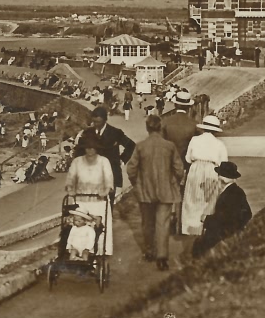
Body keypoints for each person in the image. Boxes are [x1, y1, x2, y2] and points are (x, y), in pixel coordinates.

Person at [126, 115, 184, 270]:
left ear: (147, 128)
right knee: (163, 223)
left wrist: (136, 183)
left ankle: (149, 251)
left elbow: (131, 169)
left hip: (145, 191)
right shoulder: (169, 146)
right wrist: (174, 181)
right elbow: (179, 169)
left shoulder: (140, 146)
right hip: (165, 190)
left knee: (147, 223)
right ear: (160, 128)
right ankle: (162, 257)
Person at [64, 132, 115, 257]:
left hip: (99, 201)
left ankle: (100, 252)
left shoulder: (104, 161)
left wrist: (106, 190)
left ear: (97, 148)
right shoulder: (77, 162)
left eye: (92, 148)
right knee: (79, 228)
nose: (90, 150)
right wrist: (70, 189)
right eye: (87, 148)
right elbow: (70, 179)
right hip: (81, 202)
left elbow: (109, 179)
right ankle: (77, 252)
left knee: (98, 228)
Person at [192, 161, 252, 257]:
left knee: (198, 247)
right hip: (231, 232)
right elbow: (247, 214)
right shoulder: (236, 191)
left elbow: (224, 218)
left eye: (219, 175)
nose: (218, 178)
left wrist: (206, 219)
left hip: (223, 234)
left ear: (222, 178)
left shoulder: (230, 194)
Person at [181, 115, 228, 235]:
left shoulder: (194, 140)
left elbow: (188, 158)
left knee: (192, 198)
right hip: (212, 170)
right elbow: (224, 163)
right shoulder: (219, 144)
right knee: (208, 200)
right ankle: (204, 228)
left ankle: (190, 229)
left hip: (195, 168)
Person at [77, 106, 135, 200]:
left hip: (111, 174)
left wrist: (122, 160)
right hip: (92, 175)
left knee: (109, 202)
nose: (96, 125)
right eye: (94, 122)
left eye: (98, 122)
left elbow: (131, 145)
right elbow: (79, 151)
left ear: (105, 120)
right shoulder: (87, 133)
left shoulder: (115, 133)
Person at [162, 90, 198, 165]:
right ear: (189, 107)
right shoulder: (194, 124)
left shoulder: (165, 122)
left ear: (175, 105)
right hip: (186, 164)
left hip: (169, 163)